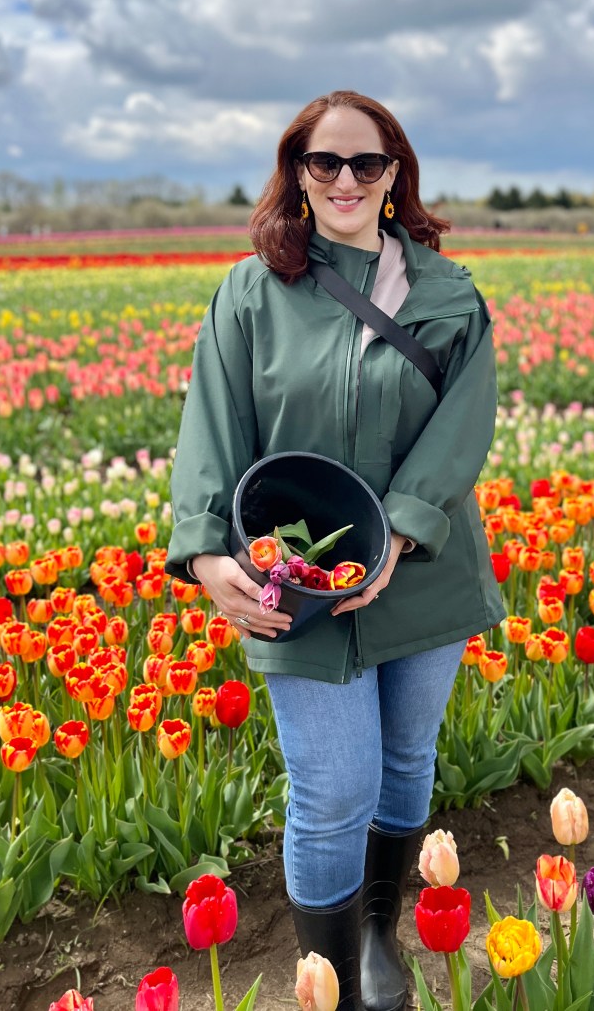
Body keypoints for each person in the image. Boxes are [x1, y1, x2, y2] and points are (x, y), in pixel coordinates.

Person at [165, 90, 505, 1011]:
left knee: (403, 763)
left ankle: (376, 934)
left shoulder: (447, 293)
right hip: (294, 580)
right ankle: (336, 984)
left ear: (395, 174)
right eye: (326, 163)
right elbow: (213, 421)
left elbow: (464, 425)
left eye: (367, 163)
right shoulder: (252, 290)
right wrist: (203, 552)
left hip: (422, 567)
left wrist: (398, 530)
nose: (346, 180)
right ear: (298, 174)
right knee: (332, 786)